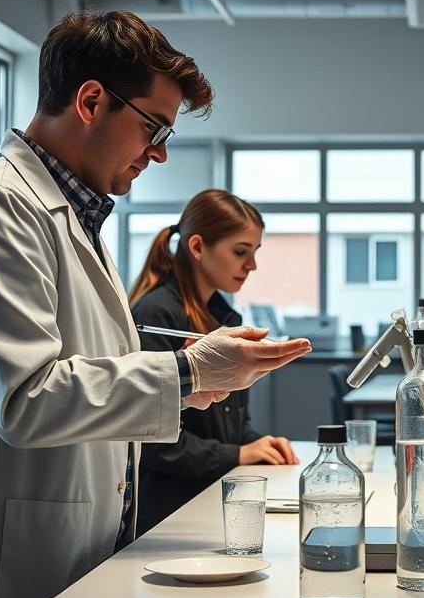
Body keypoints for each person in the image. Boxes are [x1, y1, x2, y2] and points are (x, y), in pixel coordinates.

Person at [0, 10, 311, 598]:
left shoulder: (73, 219)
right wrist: (182, 373)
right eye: (153, 127)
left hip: (73, 567)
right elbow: (25, 398)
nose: (158, 153)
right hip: (0, 583)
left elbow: (88, 377)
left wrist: (192, 386)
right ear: (91, 100)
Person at [128, 189, 299, 538]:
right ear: (197, 248)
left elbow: (227, 424)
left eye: (254, 252)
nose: (251, 265)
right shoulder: (156, 312)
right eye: (240, 252)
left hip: (208, 497)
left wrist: (260, 444)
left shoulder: (222, 317)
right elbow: (151, 438)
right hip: (168, 513)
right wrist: (237, 454)